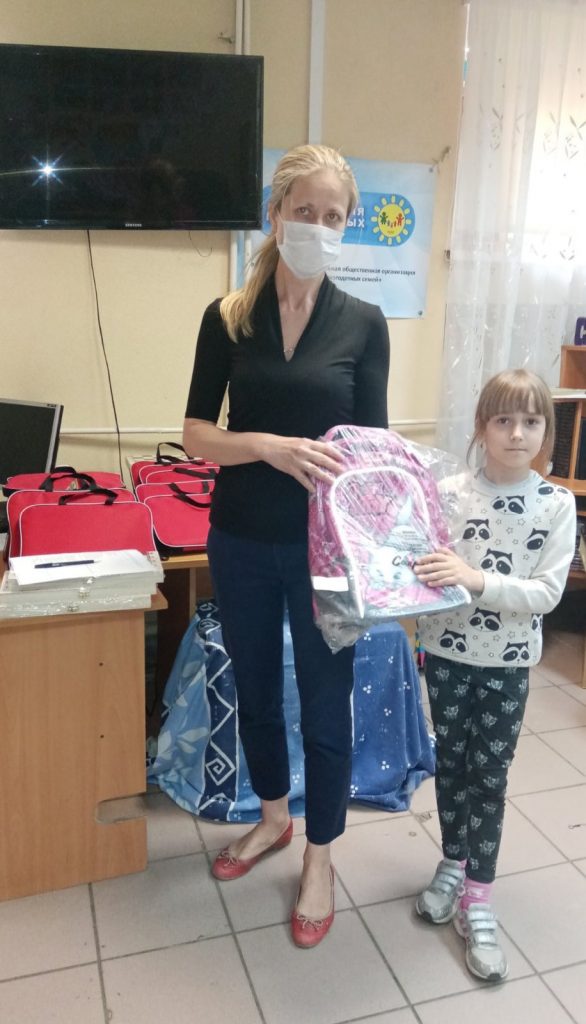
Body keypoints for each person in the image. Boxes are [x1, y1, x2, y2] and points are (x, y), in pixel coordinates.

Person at [182, 143, 390, 948]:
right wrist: (266, 446)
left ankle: (320, 856)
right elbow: (197, 435)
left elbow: (371, 451)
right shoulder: (228, 318)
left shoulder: (364, 324)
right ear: (275, 215)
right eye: (305, 211)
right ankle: (273, 817)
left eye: (334, 216)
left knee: (327, 704)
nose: (318, 226)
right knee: (258, 691)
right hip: (239, 538)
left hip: (325, 554)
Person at [413, 369, 576, 982]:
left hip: (506, 665)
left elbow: (547, 593)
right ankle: (453, 862)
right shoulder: (446, 493)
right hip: (445, 655)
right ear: (481, 427)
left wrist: (475, 579)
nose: (516, 433)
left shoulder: (556, 505)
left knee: (488, 777)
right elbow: (419, 567)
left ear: (546, 432)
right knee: (451, 767)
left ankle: (478, 897)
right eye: (503, 420)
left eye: (531, 421)